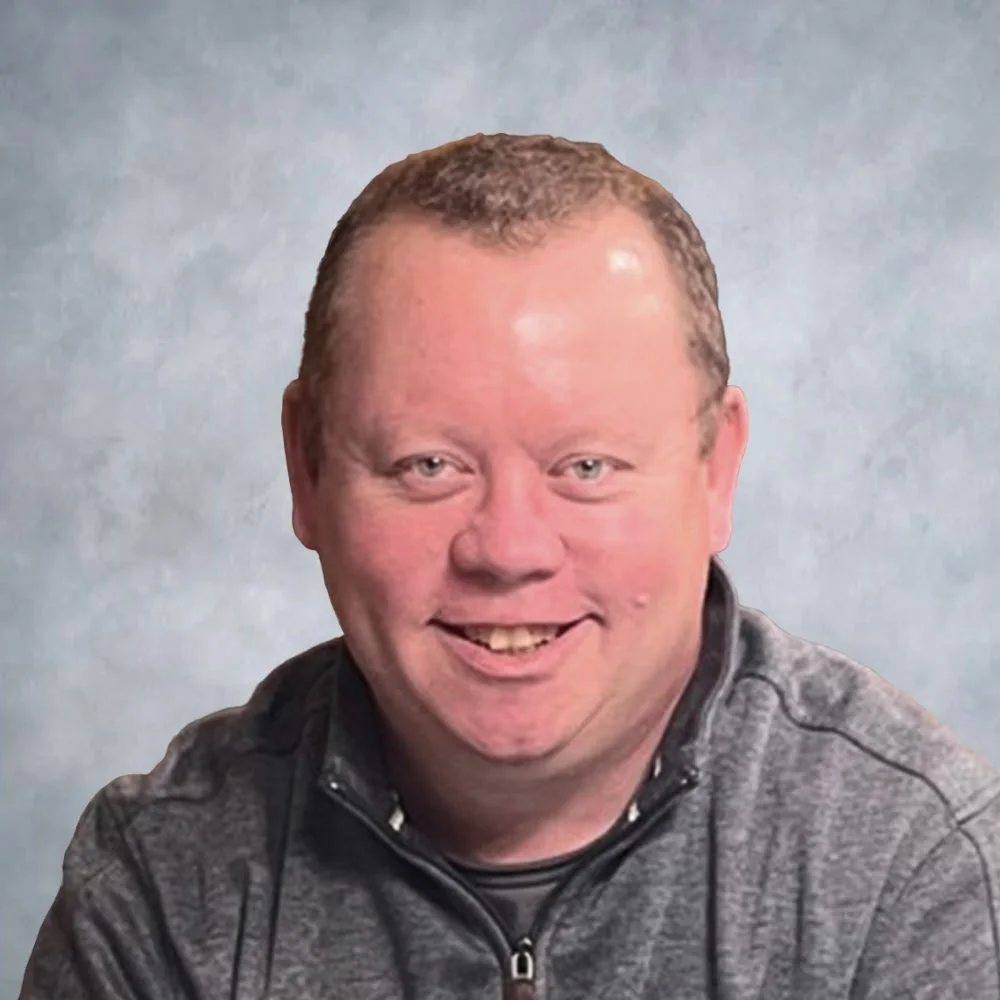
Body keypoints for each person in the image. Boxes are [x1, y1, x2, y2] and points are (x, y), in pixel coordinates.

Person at [19, 132, 1000, 1000]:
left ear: (716, 471)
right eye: (427, 465)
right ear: (306, 469)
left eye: (585, 466)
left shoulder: (912, 868)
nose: (508, 549)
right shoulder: (162, 883)